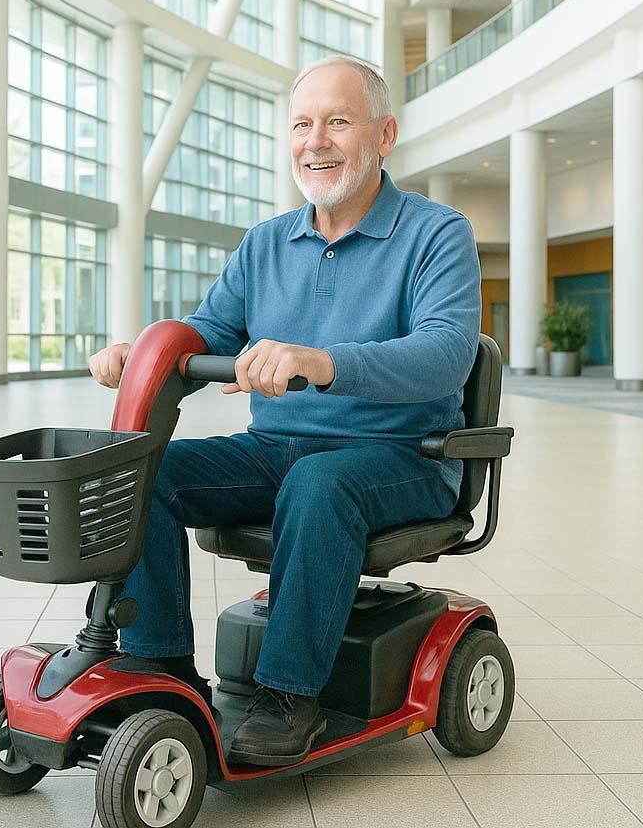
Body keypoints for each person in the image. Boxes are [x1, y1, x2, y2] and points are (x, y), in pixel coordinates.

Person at [88, 55, 482, 766]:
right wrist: (145, 351)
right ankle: (165, 675)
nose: (316, 140)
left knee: (319, 483)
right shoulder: (266, 242)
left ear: (385, 134)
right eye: (302, 124)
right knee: (143, 471)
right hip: (279, 451)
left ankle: (289, 696)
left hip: (405, 457)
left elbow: (448, 353)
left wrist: (323, 361)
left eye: (339, 121)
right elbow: (209, 331)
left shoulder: (435, 233)